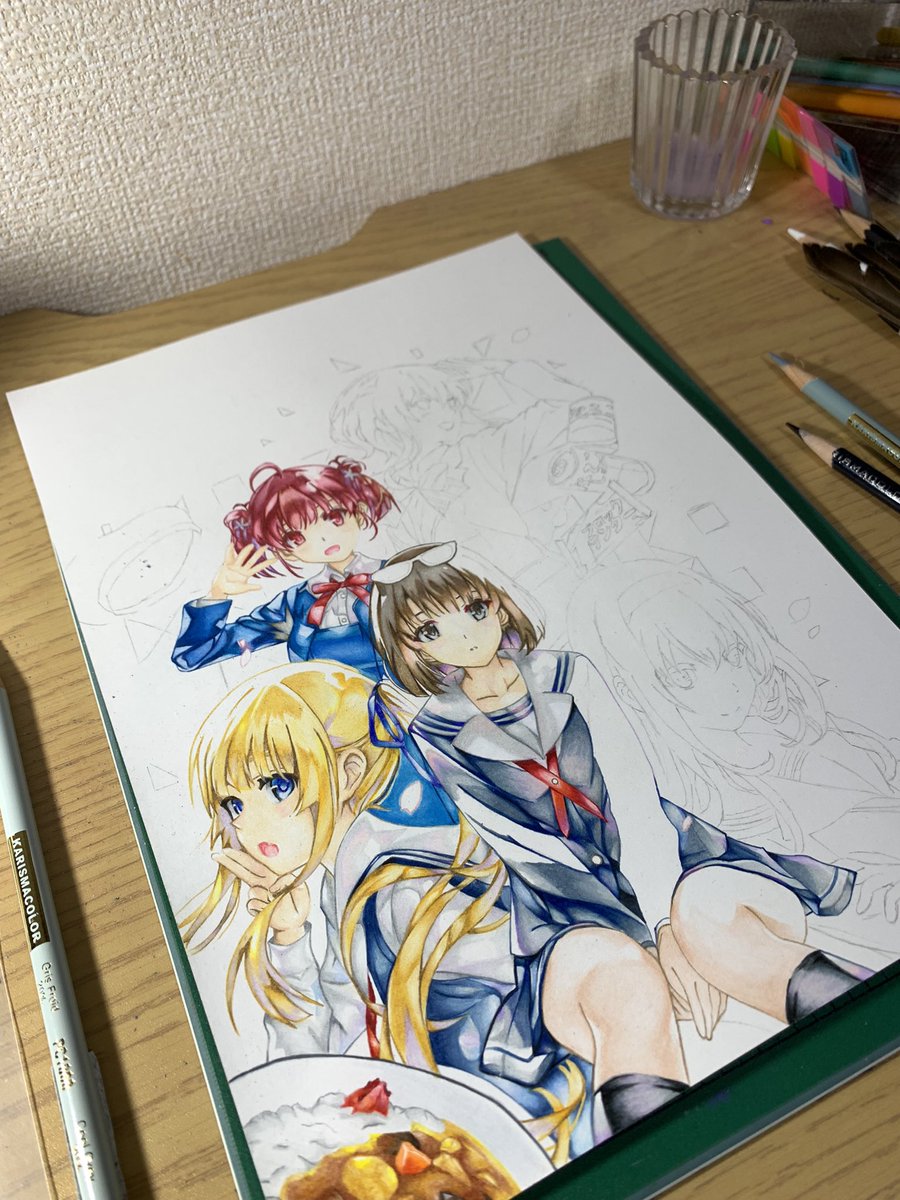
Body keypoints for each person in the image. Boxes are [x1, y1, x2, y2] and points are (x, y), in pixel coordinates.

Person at [369, 542, 870, 1140]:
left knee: (705, 915)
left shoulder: (569, 672)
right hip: (563, 898)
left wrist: (665, 923)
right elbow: (521, 847)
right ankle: (667, 1145)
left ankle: (867, 1022)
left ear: (497, 606)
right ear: (413, 648)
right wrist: (644, 942)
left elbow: (634, 792)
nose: (466, 634)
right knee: (621, 980)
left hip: (661, 851)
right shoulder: (433, 730)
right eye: (431, 629)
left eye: (474, 610)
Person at [180, 660, 585, 1161]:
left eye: (278, 786)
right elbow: (311, 1062)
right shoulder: (345, 890)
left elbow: (534, 998)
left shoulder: (406, 885)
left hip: (525, 1133)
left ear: (349, 773)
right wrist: (289, 940)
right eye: (234, 805)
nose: (250, 824)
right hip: (456, 1132)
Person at [172, 458, 395, 678]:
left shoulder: (401, 576)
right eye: (296, 537)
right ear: (284, 550)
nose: (323, 537)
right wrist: (217, 594)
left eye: (334, 517)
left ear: (357, 510)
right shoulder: (297, 602)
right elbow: (191, 656)